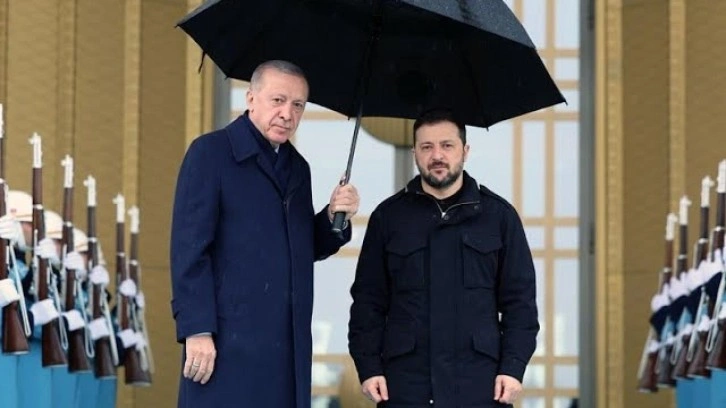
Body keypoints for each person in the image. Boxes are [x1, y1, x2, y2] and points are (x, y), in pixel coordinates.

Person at [170, 59, 360, 408]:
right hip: (226, 344)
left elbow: (300, 247)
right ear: (251, 98)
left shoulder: (298, 169)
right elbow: (189, 249)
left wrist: (334, 216)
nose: (287, 114)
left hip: (286, 348)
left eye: (298, 105)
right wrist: (197, 329)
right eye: (278, 100)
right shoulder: (210, 154)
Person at [347, 109, 539, 407]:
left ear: (465, 150)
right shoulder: (389, 217)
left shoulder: (499, 217)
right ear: (415, 153)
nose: (437, 155)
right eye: (427, 147)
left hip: (480, 384)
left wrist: (513, 367)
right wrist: (369, 366)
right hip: (406, 385)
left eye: (447, 145)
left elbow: (520, 303)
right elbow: (368, 302)